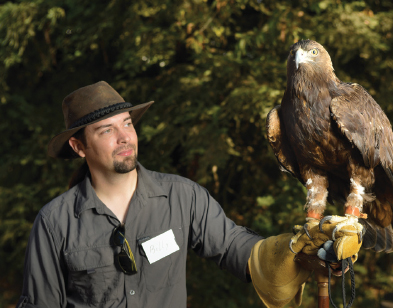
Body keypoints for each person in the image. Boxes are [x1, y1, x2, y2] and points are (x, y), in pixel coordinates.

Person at [17, 81, 362, 308]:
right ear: (79, 146)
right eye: (107, 130)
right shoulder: (55, 222)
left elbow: (234, 248)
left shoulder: (183, 197)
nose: (124, 137)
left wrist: (296, 252)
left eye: (127, 123)